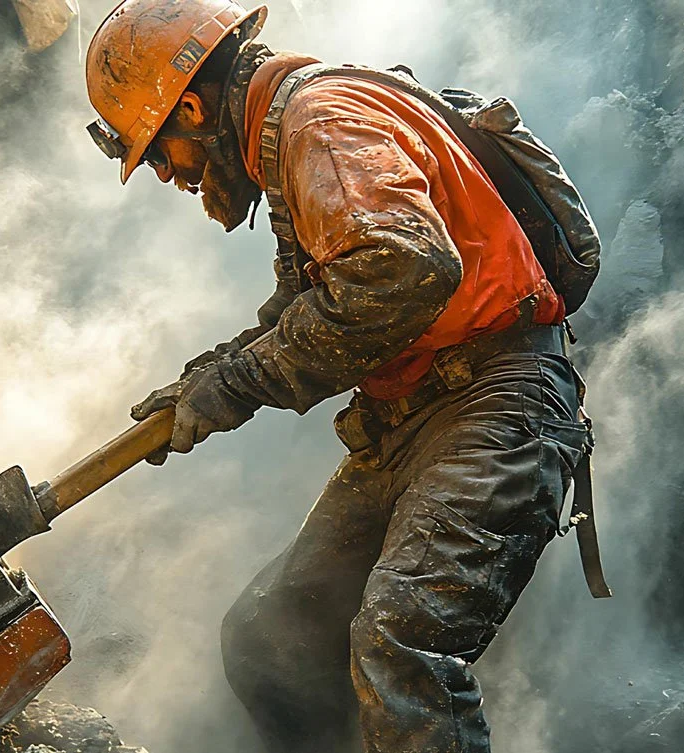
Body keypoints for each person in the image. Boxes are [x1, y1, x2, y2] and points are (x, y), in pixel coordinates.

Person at [84, 1, 595, 751]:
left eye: (158, 154)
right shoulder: (298, 127)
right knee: (269, 637)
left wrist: (236, 384)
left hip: (493, 407)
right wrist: (211, 375)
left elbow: (402, 268)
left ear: (190, 106)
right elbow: (312, 303)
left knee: (403, 643)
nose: (169, 179)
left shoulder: (320, 123)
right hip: (416, 419)